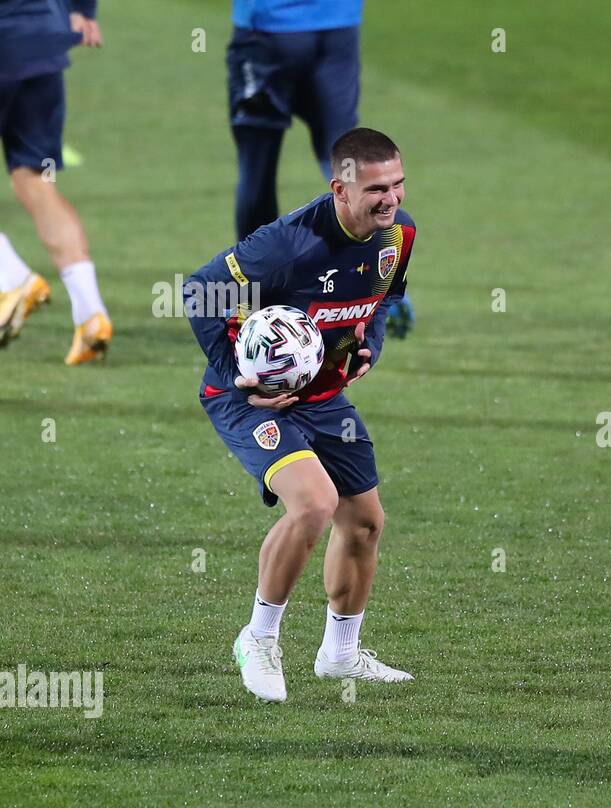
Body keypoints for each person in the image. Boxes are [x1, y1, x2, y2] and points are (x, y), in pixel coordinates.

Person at [186, 127, 415, 702]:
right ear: (339, 188)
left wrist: (370, 347)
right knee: (314, 504)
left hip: (323, 399)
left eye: (398, 184)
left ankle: (340, 653)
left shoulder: (399, 235)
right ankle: (258, 639)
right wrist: (243, 374)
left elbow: (383, 296)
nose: (391, 199)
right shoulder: (286, 244)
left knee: (364, 523)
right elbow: (199, 292)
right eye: (376, 189)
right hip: (245, 401)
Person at [225, 0, 415, 338]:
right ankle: (381, 284)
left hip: (270, 28)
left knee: (258, 168)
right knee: (351, 161)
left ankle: (257, 305)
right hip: (336, 24)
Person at [0, 0, 112, 363]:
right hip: (43, 44)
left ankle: (13, 280)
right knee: (35, 178)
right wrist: (82, 10)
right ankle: (90, 315)